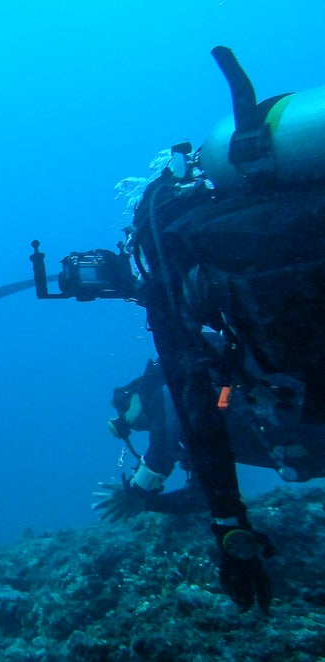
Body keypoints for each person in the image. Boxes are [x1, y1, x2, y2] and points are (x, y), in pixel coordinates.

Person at [31, 46, 325, 613]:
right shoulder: (220, 229)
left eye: (122, 411)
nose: (123, 421)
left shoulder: (167, 282)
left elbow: (181, 410)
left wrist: (227, 529)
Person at [95, 347, 325, 522]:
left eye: (123, 412)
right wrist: (147, 503)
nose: (130, 425)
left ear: (134, 394)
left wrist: (136, 492)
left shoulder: (162, 387)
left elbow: (160, 457)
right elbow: (205, 495)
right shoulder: (194, 428)